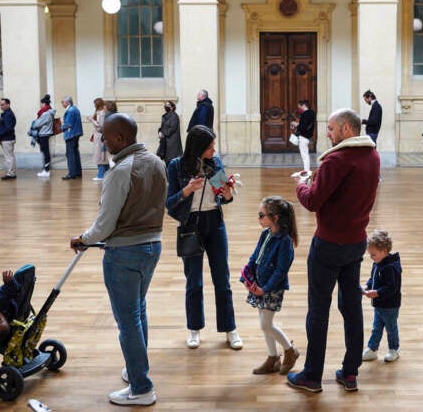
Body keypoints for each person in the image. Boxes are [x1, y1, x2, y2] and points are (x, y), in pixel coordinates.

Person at [69, 113, 167, 406]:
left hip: (124, 253)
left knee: (128, 321)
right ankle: (136, 368)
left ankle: (141, 388)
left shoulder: (120, 171)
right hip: (153, 246)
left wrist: (83, 239)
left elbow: (105, 225)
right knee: (138, 311)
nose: (103, 140)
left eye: (106, 136)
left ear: (121, 138)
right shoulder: (157, 162)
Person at [287, 108, 379, 393]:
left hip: (328, 244)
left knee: (318, 309)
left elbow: (313, 201)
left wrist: (301, 184)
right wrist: (320, 177)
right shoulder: (372, 156)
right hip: (355, 243)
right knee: (351, 307)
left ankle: (312, 376)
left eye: (330, 128)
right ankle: (350, 373)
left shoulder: (337, 159)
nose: (326, 133)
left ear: (346, 130)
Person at [165, 126, 242, 350]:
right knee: (194, 281)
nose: (213, 150)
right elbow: (169, 204)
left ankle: (230, 329)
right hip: (190, 225)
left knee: (222, 279)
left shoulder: (214, 163)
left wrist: (227, 192)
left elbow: (224, 198)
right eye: (209, 147)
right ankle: (194, 329)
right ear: (197, 147)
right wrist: (187, 190)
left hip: (215, 224)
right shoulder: (176, 166)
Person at [242, 196, 300, 375]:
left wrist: (265, 288)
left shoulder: (284, 242)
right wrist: (247, 275)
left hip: (271, 288)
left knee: (266, 324)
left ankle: (290, 350)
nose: (258, 218)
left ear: (275, 218)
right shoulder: (265, 234)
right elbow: (255, 257)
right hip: (258, 285)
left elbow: (281, 271)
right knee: (264, 322)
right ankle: (272, 357)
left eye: (261, 215)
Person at [361, 230, 402, 363]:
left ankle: (393, 349)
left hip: (390, 305)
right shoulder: (378, 262)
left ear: (384, 251)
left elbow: (392, 288)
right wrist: (367, 286)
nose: (371, 257)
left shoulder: (390, 267)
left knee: (391, 328)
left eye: (373, 254)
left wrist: (377, 293)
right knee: (376, 327)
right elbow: (373, 278)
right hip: (379, 304)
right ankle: (372, 349)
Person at [60, 95, 83, 180]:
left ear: (67, 102)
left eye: (63, 102)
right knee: (75, 152)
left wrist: (60, 128)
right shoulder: (75, 109)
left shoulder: (70, 110)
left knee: (70, 154)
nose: (62, 104)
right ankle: (77, 172)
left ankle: (72, 173)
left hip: (71, 134)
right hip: (76, 133)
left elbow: (68, 124)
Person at [32, 95, 55, 178]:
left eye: (41, 103)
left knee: (45, 152)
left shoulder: (46, 113)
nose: (41, 105)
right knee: (45, 151)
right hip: (45, 133)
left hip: (44, 134)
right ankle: (46, 169)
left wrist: (34, 123)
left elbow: (37, 124)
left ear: (44, 104)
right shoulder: (48, 112)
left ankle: (46, 170)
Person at [290, 99, 315, 173]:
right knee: (305, 154)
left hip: (303, 136)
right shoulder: (312, 113)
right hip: (307, 136)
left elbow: (303, 127)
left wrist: (296, 125)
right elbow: (306, 125)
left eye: (299, 107)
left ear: (304, 105)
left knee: (304, 155)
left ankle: (307, 171)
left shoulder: (305, 114)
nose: (299, 109)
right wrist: (297, 124)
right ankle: (306, 170)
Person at [0, 98, 17, 180]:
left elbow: (8, 128)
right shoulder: (7, 113)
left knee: (9, 157)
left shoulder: (7, 114)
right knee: (10, 156)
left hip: (7, 139)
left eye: (3, 105)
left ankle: (11, 174)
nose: (1, 106)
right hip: (7, 138)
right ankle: (12, 172)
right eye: (0, 105)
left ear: (8, 104)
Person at [156, 100, 183, 166]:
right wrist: (159, 131)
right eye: (166, 105)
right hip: (166, 141)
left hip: (172, 142)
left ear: (172, 107)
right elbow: (163, 127)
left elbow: (172, 128)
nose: (166, 106)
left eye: (168, 105)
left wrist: (163, 133)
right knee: (167, 161)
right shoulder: (165, 116)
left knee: (171, 161)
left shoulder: (174, 116)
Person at [90, 98, 109, 181]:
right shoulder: (100, 112)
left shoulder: (101, 113)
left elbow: (100, 127)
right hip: (99, 137)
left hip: (100, 137)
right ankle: (105, 173)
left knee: (101, 156)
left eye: (94, 103)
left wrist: (92, 121)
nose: (94, 105)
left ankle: (101, 174)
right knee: (102, 156)